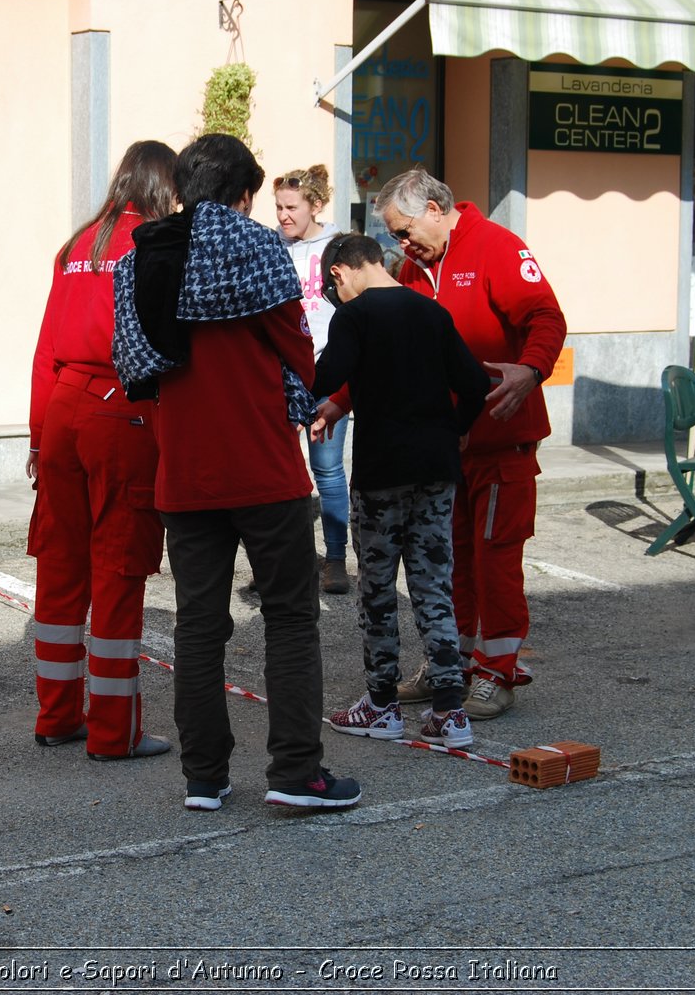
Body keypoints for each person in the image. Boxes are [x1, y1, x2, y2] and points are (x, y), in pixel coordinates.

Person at [113, 133, 361, 812]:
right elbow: (295, 343)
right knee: (288, 618)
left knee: (198, 626)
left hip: (183, 473)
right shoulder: (255, 246)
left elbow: (133, 366)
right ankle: (295, 772)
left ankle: (205, 777)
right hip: (262, 466)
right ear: (244, 193)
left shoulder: (141, 258)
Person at [373, 167, 567, 720]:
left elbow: (546, 317)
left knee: (495, 563)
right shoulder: (415, 268)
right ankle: (448, 665)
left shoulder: (498, 248)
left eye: (404, 230)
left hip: (502, 445)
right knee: (445, 564)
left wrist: (530, 371)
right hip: (444, 449)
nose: (401, 244)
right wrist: (341, 395)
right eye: (393, 236)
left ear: (435, 208)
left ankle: (497, 673)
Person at [26, 139, 179, 761]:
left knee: (60, 566)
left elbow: (45, 349)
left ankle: (56, 716)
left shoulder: (76, 246)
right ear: (162, 186)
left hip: (62, 406)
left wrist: (37, 435)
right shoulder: (155, 244)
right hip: (123, 410)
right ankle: (115, 733)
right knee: (118, 565)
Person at [308, 233, 490, 748]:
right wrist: (455, 427)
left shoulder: (355, 316)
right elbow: (475, 383)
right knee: (434, 584)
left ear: (342, 272)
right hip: (436, 467)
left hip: (382, 469)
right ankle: (451, 712)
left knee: (379, 588)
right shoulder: (431, 312)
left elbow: (326, 375)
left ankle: (382, 705)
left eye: (331, 286)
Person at [272, 166, 348, 594]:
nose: (283, 216)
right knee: (281, 469)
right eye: (278, 207)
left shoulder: (338, 248)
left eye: (291, 207)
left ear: (315, 206)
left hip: (327, 374)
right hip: (282, 376)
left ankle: (335, 559)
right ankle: (290, 560)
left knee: (328, 470)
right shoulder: (270, 247)